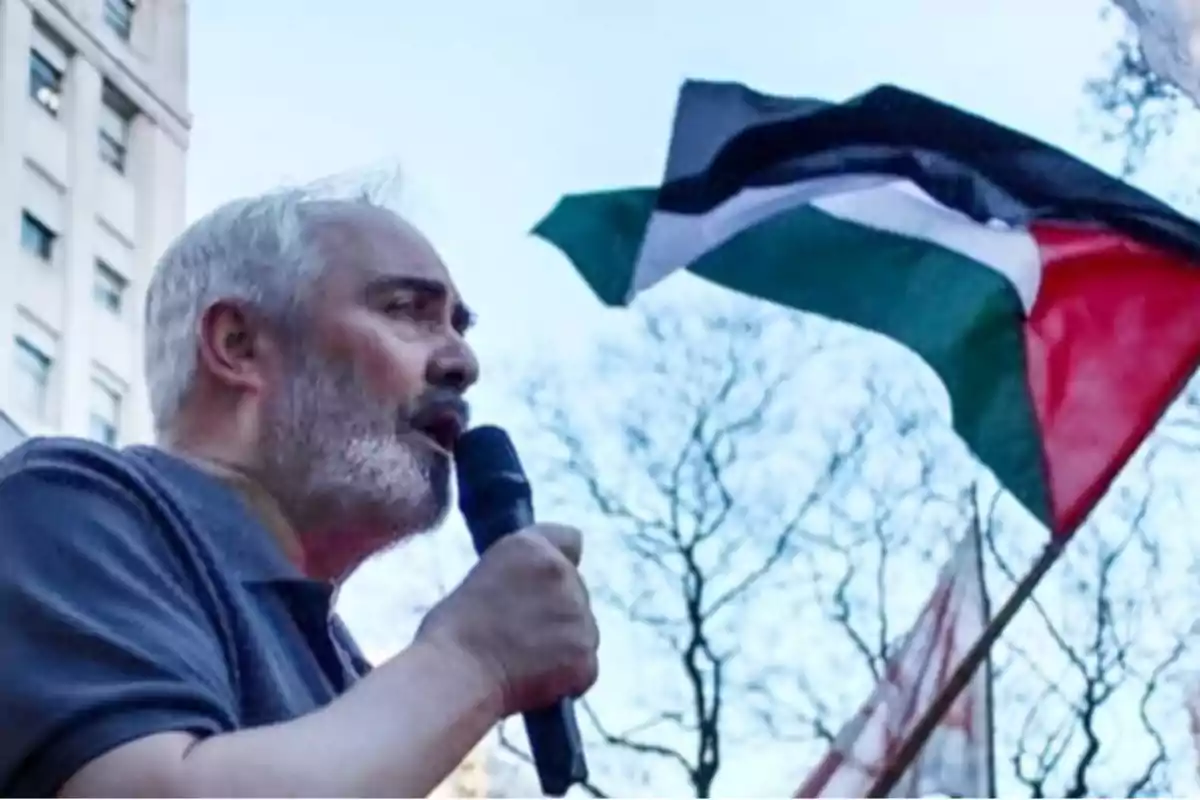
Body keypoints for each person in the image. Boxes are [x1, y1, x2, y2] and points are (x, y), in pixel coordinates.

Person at [0, 191, 600, 797]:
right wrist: (475, 663)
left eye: (458, 326)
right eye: (407, 310)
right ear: (238, 344)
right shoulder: (67, 505)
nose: (462, 362)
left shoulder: (346, 675)